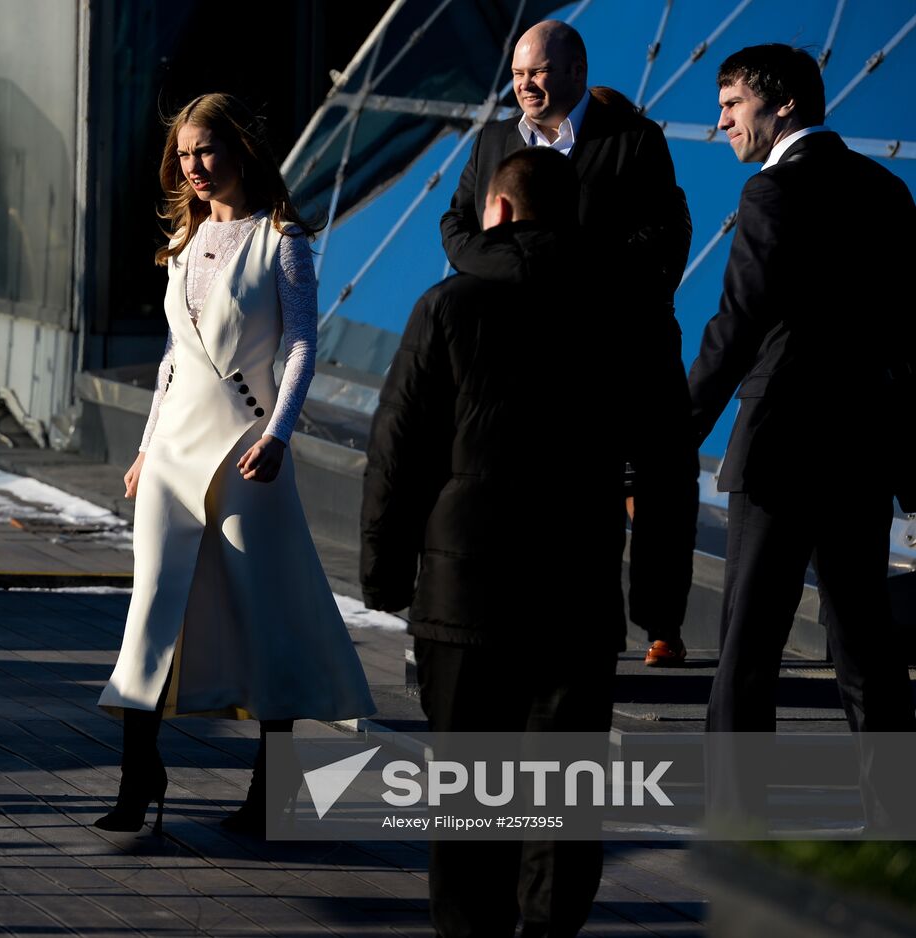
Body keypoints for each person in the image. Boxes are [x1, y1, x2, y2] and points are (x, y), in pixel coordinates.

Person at [362, 147, 697, 937]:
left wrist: (383, 574)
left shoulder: (448, 305)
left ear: (501, 211)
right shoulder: (636, 311)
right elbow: (668, 466)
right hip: (576, 592)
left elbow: (397, 450)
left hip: (461, 592)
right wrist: (659, 605)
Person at [95, 93, 374, 836]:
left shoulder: (281, 238)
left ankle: (270, 789)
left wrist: (279, 434)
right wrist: (146, 447)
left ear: (239, 152)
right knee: (150, 608)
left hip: (247, 450)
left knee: (267, 617)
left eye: (207, 151)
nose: (194, 167)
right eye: (184, 155)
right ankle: (136, 776)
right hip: (173, 451)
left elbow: (302, 345)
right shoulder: (182, 243)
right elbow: (171, 362)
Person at [688, 45, 916, 826]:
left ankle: (736, 823)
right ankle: (895, 822)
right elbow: (909, 338)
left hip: (781, 454)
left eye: (731, 104)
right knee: (866, 652)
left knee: (748, 651)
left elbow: (737, 326)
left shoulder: (771, 194)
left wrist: (672, 431)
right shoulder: (889, 192)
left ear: (781, 105)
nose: (720, 121)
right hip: (861, 456)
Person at [440, 19, 698, 667]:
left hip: (625, 347)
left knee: (658, 482)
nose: (525, 84)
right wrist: (503, 268)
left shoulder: (633, 141)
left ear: (576, 72)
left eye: (539, 72)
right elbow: (456, 221)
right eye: (520, 73)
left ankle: (662, 623)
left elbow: (662, 238)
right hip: (527, 357)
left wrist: (572, 270)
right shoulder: (495, 139)